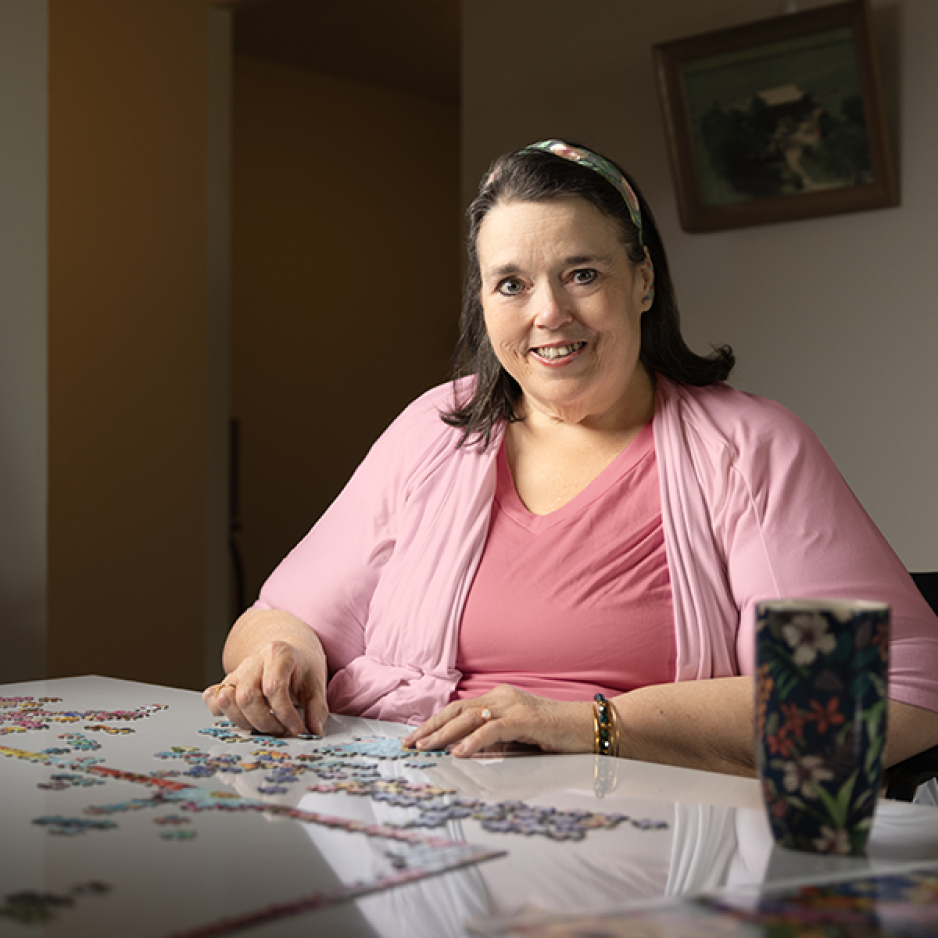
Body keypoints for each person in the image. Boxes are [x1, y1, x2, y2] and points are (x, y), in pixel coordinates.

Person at [204, 140, 938, 776]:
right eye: (512, 284)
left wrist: (584, 724)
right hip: (412, 826)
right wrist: (284, 656)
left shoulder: (748, 449)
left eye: (582, 274)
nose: (548, 312)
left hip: (645, 853)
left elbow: (890, 696)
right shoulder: (434, 430)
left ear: (642, 279)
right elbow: (275, 618)